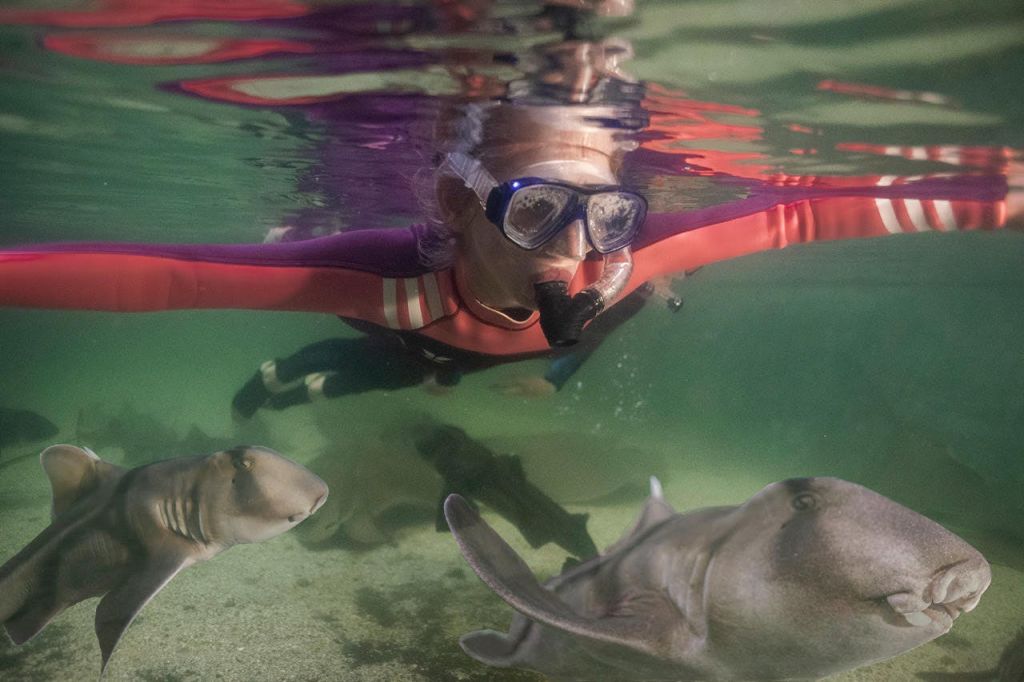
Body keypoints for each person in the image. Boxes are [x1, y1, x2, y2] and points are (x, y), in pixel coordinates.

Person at [0, 4, 1020, 416]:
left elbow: (809, 216)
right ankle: (300, 377)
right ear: (457, 197)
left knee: (492, 355)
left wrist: (1003, 200)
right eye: (536, 211)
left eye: (609, 214)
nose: (578, 246)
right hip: (414, 331)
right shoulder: (383, 273)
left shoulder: (628, 259)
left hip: (505, 349)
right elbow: (168, 279)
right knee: (390, 364)